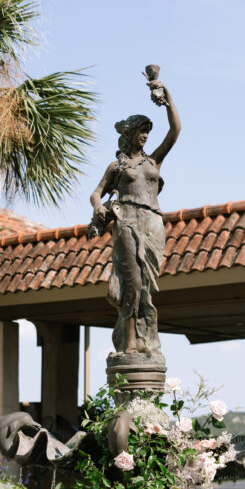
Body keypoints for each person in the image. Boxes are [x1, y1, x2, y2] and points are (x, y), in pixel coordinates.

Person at [90, 78, 181, 354]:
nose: (144, 136)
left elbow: (175, 131)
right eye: (140, 131)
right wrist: (98, 207)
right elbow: (96, 193)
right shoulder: (117, 166)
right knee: (132, 280)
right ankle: (129, 340)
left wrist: (168, 99)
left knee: (148, 285)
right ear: (129, 133)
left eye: (146, 132)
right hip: (127, 221)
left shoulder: (153, 161)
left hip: (153, 222)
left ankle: (145, 338)